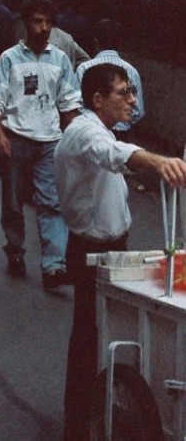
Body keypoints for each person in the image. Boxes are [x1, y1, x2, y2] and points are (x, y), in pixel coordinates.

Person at [54, 63, 186, 441]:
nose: (132, 100)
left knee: (113, 333)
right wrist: (158, 161)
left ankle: (106, 410)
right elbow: (115, 153)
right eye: (123, 93)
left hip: (114, 246)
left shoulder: (100, 130)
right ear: (97, 99)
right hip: (90, 251)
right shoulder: (83, 132)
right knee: (88, 339)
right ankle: (77, 426)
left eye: (132, 92)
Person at [0, 0, 81, 289]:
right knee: (13, 202)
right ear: (26, 24)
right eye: (38, 21)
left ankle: (53, 266)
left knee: (51, 203)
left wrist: (73, 139)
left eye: (48, 22)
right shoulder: (9, 59)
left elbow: (69, 103)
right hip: (15, 139)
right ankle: (15, 251)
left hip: (50, 141)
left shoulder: (60, 60)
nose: (44, 27)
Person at [75, 19, 144, 135]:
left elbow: (76, 105)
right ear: (120, 43)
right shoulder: (132, 71)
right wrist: (121, 120)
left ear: (95, 42)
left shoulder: (84, 68)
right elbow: (138, 111)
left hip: (90, 133)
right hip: (121, 136)